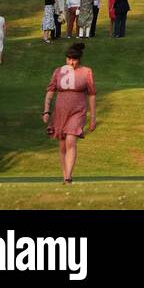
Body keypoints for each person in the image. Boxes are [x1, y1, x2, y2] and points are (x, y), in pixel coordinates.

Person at [42, 42, 96, 184]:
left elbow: (91, 94)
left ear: (79, 60)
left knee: (71, 140)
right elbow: (50, 91)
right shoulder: (58, 71)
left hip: (77, 111)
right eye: (69, 59)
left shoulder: (86, 72)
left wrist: (93, 118)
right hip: (60, 112)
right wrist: (46, 111)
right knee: (62, 146)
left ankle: (69, 176)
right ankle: (65, 176)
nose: (71, 62)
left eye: (74, 59)